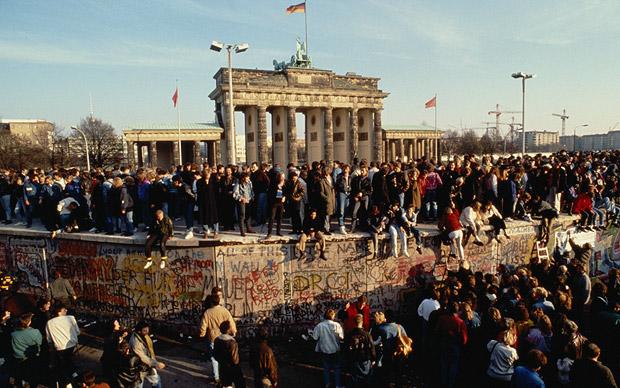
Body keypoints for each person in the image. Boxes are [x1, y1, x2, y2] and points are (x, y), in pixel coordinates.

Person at [199, 294, 237, 385]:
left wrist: (202, 334)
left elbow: (203, 325)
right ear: (219, 301)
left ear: (211, 302)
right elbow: (231, 322)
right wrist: (234, 331)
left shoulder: (207, 312)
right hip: (224, 337)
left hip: (213, 338)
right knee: (226, 358)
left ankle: (216, 377)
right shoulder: (224, 311)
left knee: (214, 358)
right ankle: (226, 376)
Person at [46, 303, 80, 387]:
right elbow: (78, 332)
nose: (66, 310)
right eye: (64, 310)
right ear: (59, 312)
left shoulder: (49, 323)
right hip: (72, 344)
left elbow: (49, 339)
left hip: (60, 347)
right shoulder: (71, 318)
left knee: (64, 363)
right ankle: (73, 375)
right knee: (67, 361)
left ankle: (69, 379)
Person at [312, 308, 345, 388]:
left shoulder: (319, 326)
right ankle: (337, 385)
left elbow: (315, 338)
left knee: (326, 368)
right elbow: (341, 337)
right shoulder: (337, 325)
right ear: (333, 316)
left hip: (324, 350)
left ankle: (327, 384)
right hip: (335, 350)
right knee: (337, 368)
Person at [129, 321, 165, 388]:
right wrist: (156, 364)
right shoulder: (135, 342)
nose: (147, 332)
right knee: (138, 385)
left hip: (148, 366)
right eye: (145, 331)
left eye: (147, 330)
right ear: (139, 331)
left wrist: (154, 362)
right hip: (138, 368)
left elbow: (150, 350)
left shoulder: (145, 335)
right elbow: (142, 357)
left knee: (156, 381)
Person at [11, 312, 43, 387]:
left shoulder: (13, 334)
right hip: (32, 358)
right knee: (33, 378)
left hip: (18, 359)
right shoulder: (35, 332)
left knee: (20, 376)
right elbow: (40, 342)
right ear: (29, 322)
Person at [344, 314, 376, 388]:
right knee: (366, 379)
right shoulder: (367, 334)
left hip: (354, 359)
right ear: (362, 322)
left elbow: (346, 348)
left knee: (355, 379)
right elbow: (372, 347)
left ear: (354, 322)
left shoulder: (349, 334)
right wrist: (373, 358)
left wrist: (346, 358)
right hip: (365, 359)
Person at [213, 320, 246, 388]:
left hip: (222, 367)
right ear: (228, 330)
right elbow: (235, 360)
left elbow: (215, 355)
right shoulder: (232, 343)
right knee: (240, 384)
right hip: (232, 368)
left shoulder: (217, 340)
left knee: (226, 384)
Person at [196, 168, 220, 239]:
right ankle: (205, 231)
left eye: (208, 174)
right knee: (204, 217)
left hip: (212, 202)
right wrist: (206, 184)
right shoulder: (199, 182)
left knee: (214, 217)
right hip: (203, 202)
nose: (207, 176)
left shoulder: (213, 181)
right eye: (206, 174)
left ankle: (216, 232)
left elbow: (216, 191)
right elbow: (199, 192)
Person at [172, 175, 196, 239]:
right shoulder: (178, 186)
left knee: (189, 216)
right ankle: (188, 229)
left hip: (189, 202)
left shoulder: (185, 187)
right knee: (186, 215)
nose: (173, 182)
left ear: (177, 181)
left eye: (174, 181)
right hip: (185, 203)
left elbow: (192, 195)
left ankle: (190, 231)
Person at [233, 172, 254, 237]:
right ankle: (242, 231)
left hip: (249, 200)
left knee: (248, 215)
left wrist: (252, 196)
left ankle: (248, 228)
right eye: (247, 177)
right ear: (243, 178)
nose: (248, 178)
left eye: (248, 177)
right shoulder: (238, 183)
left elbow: (251, 190)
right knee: (242, 215)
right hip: (242, 201)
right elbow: (235, 193)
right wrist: (241, 198)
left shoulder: (249, 183)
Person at [266, 172, 286, 238]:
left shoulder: (285, 184)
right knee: (272, 218)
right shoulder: (274, 184)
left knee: (280, 218)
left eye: (283, 177)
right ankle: (269, 233)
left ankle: (278, 231)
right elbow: (270, 194)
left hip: (281, 203)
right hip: (274, 203)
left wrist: (284, 197)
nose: (283, 178)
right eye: (282, 177)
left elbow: (287, 192)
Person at [335, 164, 352, 235]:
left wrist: (349, 189)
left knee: (346, 209)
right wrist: (345, 189)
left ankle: (343, 223)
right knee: (341, 210)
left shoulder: (350, 177)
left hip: (348, 194)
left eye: (347, 169)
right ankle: (341, 225)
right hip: (341, 193)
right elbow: (339, 185)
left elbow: (351, 185)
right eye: (344, 169)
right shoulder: (340, 176)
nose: (345, 170)